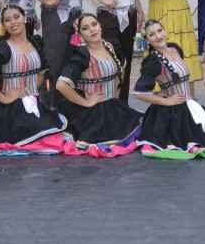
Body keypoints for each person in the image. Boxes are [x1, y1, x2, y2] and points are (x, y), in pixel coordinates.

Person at [133, 19, 205, 159]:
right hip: (172, 112)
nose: (158, 36)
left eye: (160, 31)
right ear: (147, 40)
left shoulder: (174, 49)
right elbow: (139, 93)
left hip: (189, 105)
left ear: (165, 31)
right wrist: (167, 101)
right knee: (197, 138)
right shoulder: (153, 61)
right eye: (152, 34)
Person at [0, 4, 66, 156]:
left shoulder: (36, 43)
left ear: (24, 18)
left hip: (34, 103)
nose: (13, 22)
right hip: (11, 110)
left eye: (16, 17)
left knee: (54, 131)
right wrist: (4, 98)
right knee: (42, 135)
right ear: (3, 25)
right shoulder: (3, 48)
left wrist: (31, 91)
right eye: (7, 20)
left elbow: (42, 72)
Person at [56, 12, 142, 156]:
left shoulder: (110, 45)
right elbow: (61, 85)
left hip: (113, 106)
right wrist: (85, 102)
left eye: (94, 24)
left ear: (100, 26)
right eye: (86, 28)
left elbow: (121, 70)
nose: (92, 30)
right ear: (80, 34)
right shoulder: (82, 55)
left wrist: (115, 96)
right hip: (93, 113)